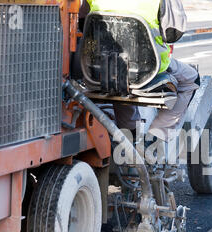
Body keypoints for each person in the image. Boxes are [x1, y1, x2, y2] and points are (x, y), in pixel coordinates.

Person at [83, 0, 200, 144]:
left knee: (121, 80)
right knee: (192, 79)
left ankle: (130, 133)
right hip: (147, 68)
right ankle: (156, 138)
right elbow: (173, 33)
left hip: (100, 67)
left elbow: (82, 23)